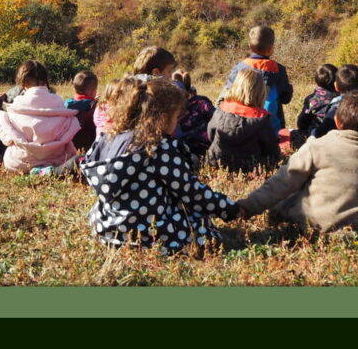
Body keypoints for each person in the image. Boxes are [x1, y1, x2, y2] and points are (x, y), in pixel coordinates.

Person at [80, 76, 239, 254]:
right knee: (199, 224)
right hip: (149, 233)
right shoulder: (158, 147)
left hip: (107, 229)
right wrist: (230, 208)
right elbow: (190, 191)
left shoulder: (108, 138)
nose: (177, 123)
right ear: (163, 118)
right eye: (176, 117)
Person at [236, 90, 358, 240]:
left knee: (287, 199)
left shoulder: (316, 146)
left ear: (337, 121)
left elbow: (282, 182)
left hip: (315, 223)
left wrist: (248, 207)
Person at [0, 60, 80, 175]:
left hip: (20, 163)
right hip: (57, 160)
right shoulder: (57, 100)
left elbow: (7, 139)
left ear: (23, 82)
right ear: (45, 80)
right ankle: (47, 170)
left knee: (3, 120)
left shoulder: (18, 102)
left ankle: (37, 171)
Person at [217, 25, 293, 132]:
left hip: (240, 126)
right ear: (271, 48)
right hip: (271, 129)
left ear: (249, 45)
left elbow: (228, 95)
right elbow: (286, 99)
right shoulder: (279, 70)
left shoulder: (239, 68)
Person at [206, 68, 281, 173]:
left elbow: (210, 135)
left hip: (216, 162)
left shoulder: (220, 110)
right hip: (250, 167)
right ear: (260, 92)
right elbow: (271, 150)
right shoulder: (262, 119)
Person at [311, 64, 358, 139]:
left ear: (336, 86)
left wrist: (313, 132)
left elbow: (320, 132)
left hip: (338, 142)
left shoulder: (336, 108)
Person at [172, 70, 215, 158]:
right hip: (208, 146)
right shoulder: (201, 102)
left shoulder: (199, 103)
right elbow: (217, 117)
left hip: (192, 149)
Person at [294, 64, 338, 138]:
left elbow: (302, 123)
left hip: (316, 135)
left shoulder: (311, 99)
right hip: (337, 135)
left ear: (317, 79)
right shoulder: (342, 98)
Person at [64, 70, 99, 152]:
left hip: (70, 143)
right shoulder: (93, 106)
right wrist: (94, 102)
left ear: (74, 88)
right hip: (88, 144)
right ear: (92, 91)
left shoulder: (67, 104)